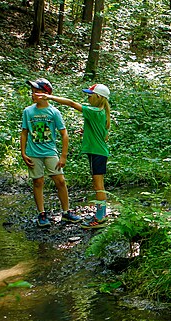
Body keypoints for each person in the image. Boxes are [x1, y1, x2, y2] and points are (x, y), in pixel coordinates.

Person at [36, 84, 111, 229]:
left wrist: (50, 97)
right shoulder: (101, 112)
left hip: (97, 153)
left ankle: (100, 218)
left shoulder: (94, 111)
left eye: (90, 95)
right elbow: (102, 133)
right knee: (98, 185)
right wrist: (86, 131)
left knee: (98, 186)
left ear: (99, 97)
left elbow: (71, 103)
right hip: (99, 152)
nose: (88, 98)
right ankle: (100, 214)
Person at [21, 78, 82, 227]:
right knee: (38, 181)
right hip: (33, 152)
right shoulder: (28, 111)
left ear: (46, 94)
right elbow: (24, 133)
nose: (33, 94)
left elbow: (64, 134)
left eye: (37, 91)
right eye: (33, 91)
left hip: (50, 152)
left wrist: (63, 155)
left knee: (60, 181)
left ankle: (66, 212)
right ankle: (42, 214)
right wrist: (23, 153)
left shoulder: (54, 112)